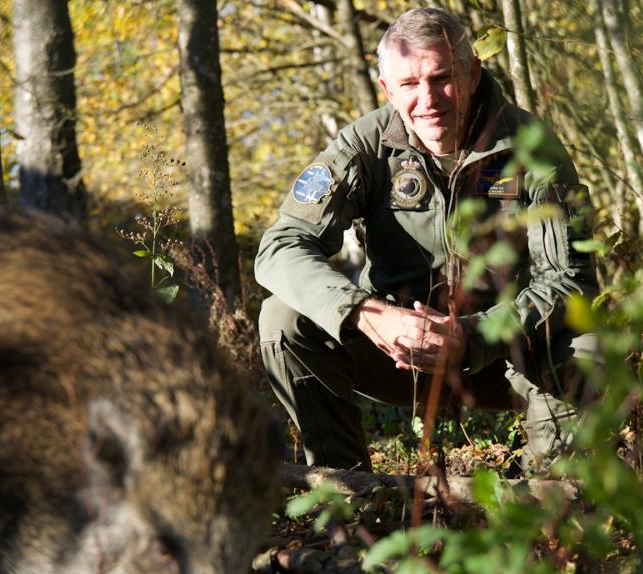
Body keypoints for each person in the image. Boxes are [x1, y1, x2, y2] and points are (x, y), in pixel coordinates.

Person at [255, 7, 599, 472]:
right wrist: (366, 313)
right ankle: (345, 496)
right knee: (282, 316)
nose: (429, 99)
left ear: (473, 73)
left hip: (506, 359)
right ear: (387, 90)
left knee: (588, 347)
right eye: (410, 85)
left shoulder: (531, 145)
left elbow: (571, 281)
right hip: (394, 356)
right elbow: (281, 246)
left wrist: (469, 337)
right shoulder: (365, 145)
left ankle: (547, 500)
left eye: (442, 77)